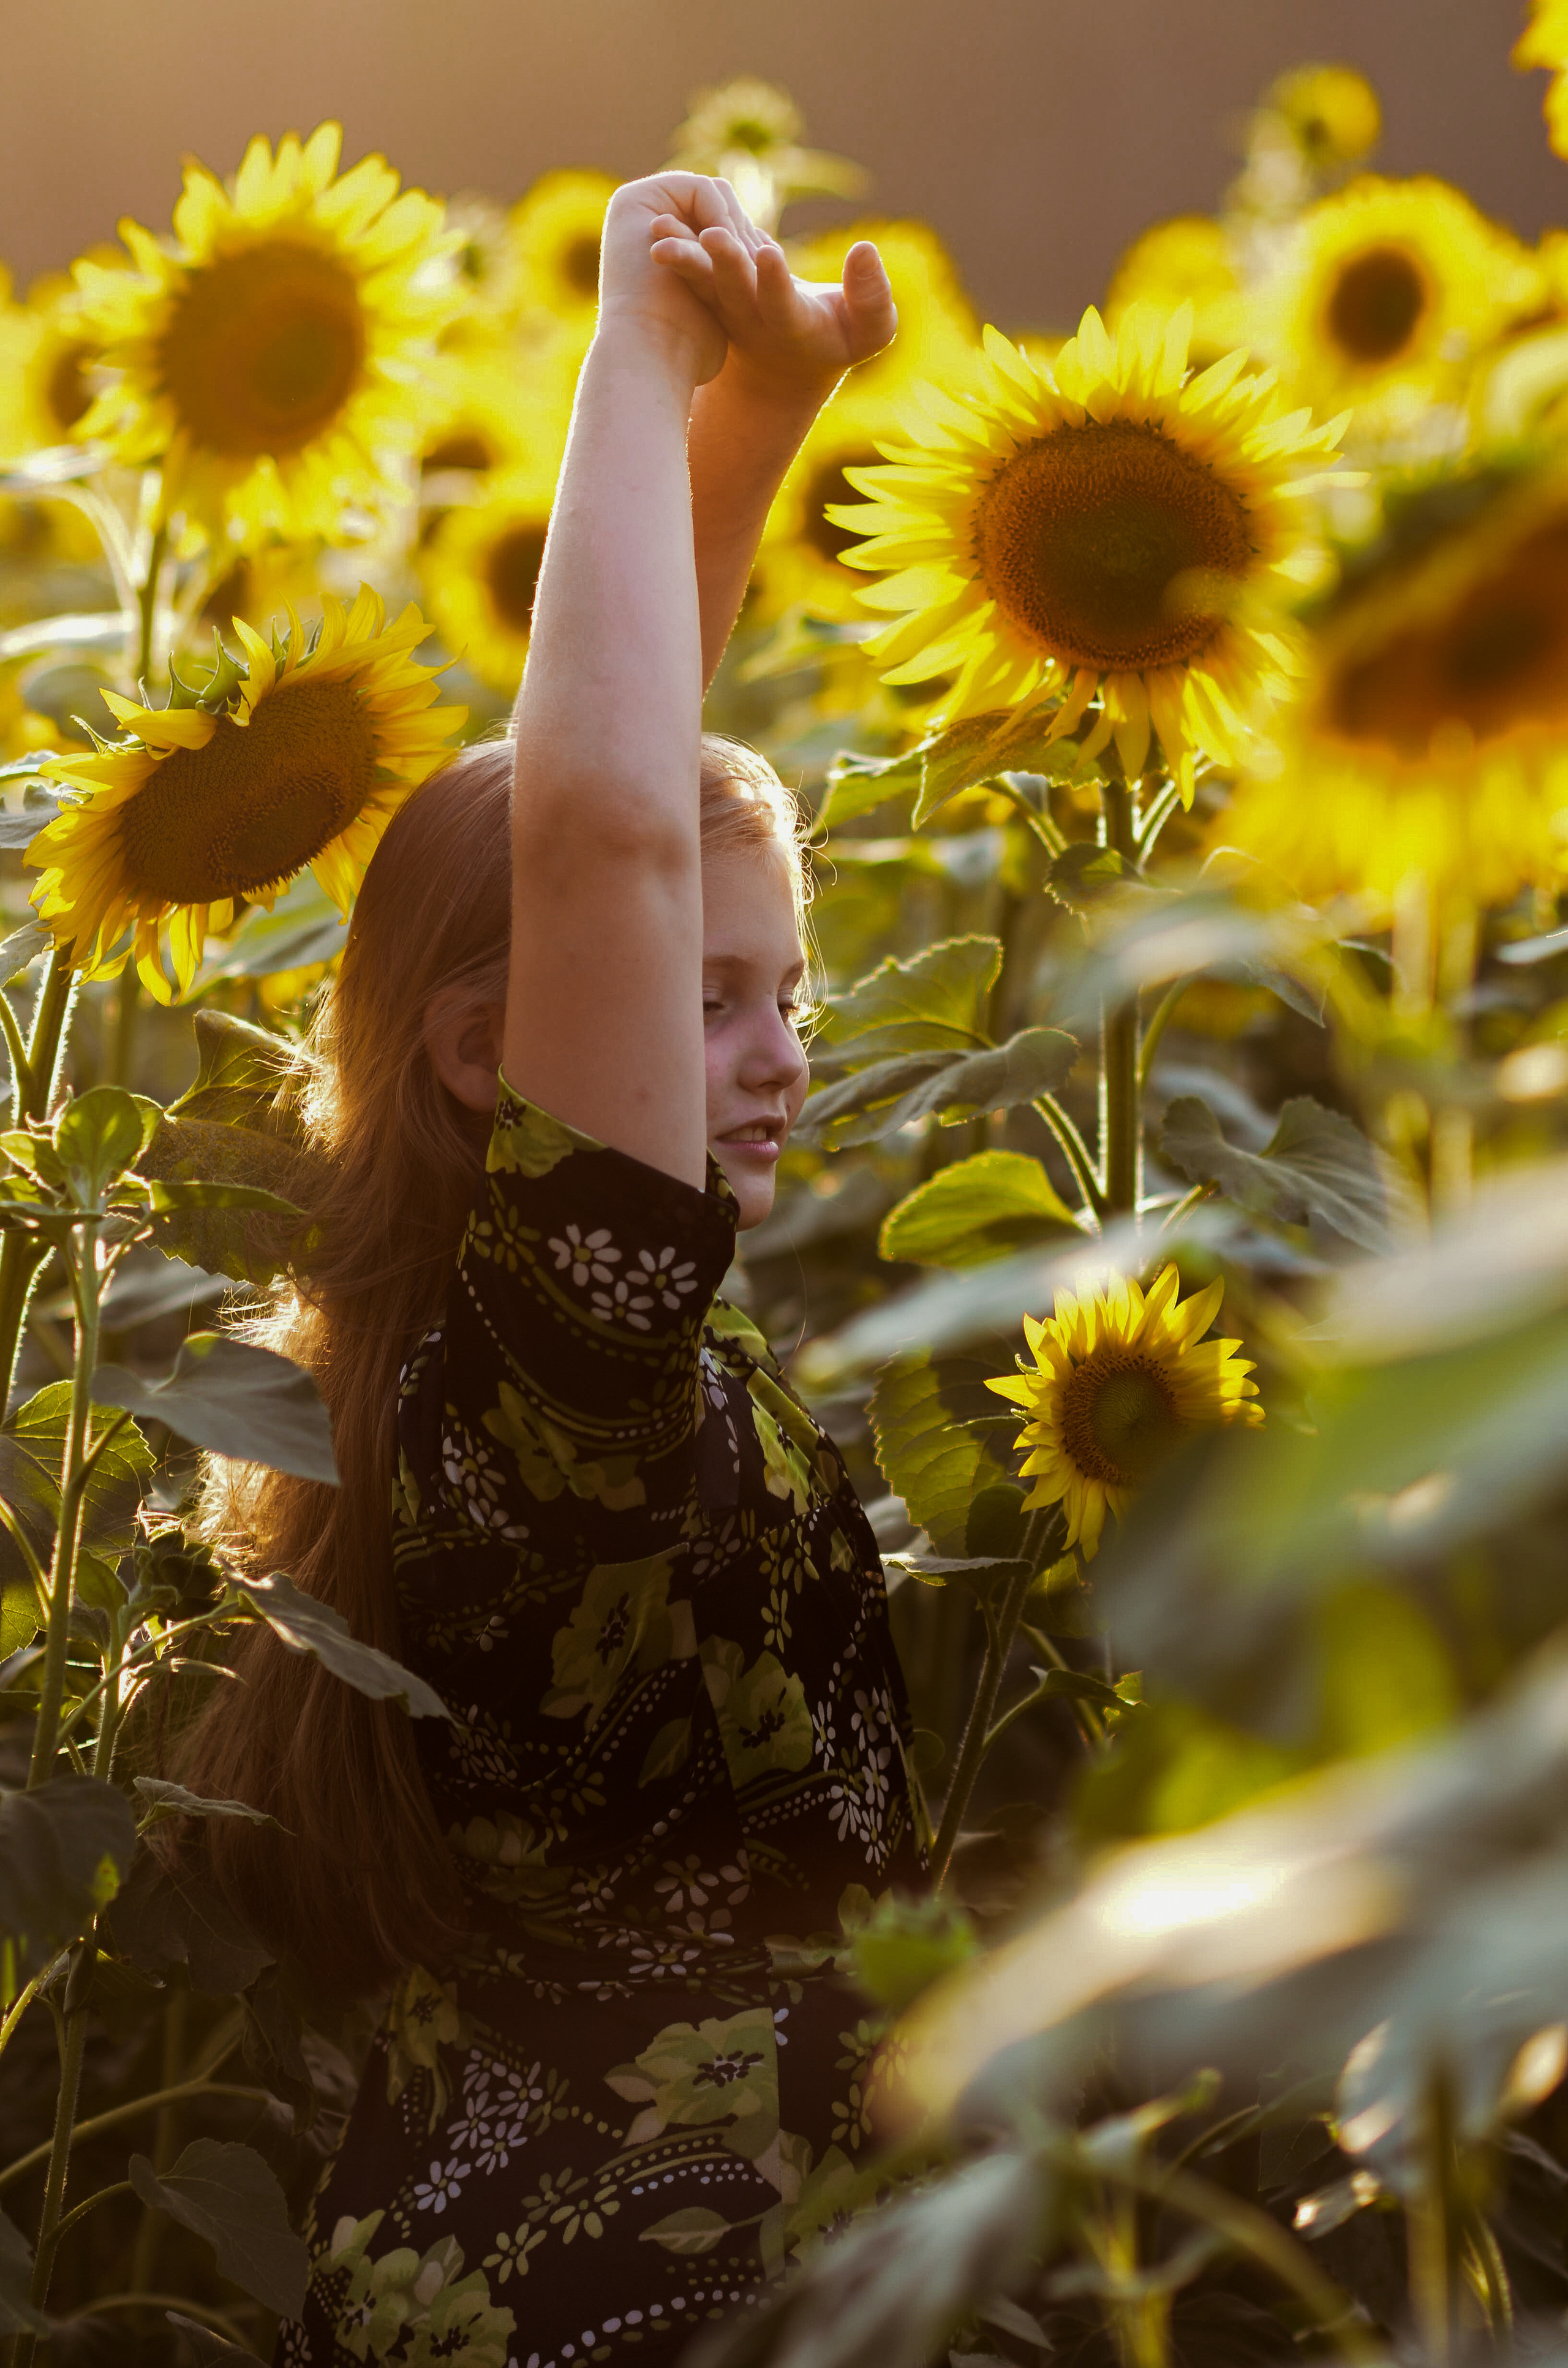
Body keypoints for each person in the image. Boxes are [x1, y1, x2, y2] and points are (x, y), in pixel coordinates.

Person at [179, 172, 928, 2366]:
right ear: (492, 1057)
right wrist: (631, 336)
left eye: (787, 992)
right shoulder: (553, 1385)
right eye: (708, 1003)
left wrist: (766, 412)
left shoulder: (479, 1350)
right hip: (621, 2309)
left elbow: (626, 803)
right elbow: (599, 829)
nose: (777, 1054)